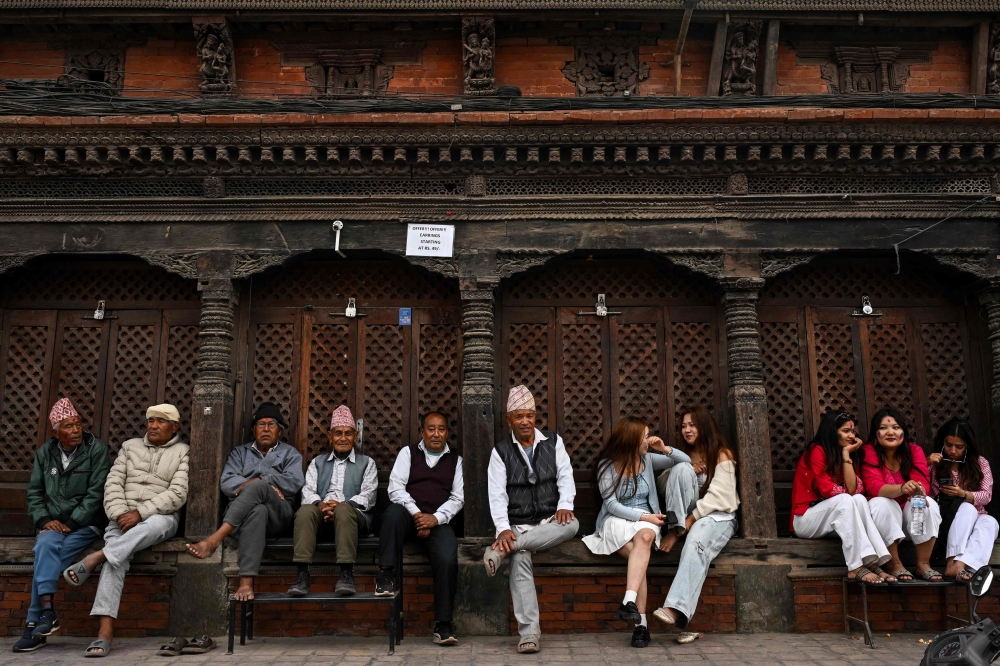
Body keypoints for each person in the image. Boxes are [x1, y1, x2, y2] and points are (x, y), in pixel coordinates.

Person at [63, 404, 189, 658]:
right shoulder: (130, 447)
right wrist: (120, 513)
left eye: (161, 421)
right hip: (120, 518)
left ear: (174, 427)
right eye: (150, 420)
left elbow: (177, 493)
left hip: (159, 518)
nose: (153, 425)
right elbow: (113, 483)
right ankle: (104, 633)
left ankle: (96, 557)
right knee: (115, 561)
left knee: (134, 538)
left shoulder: (183, 452)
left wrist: (140, 513)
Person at [483, 385, 578, 655]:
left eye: (529, 415)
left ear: (536, 417)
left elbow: (565, 477)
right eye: (519, 416)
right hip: (519, 522)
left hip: (550, 519)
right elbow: (497, 494)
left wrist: (565, 505)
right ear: (509, 420)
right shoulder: (500, 452)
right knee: (521, 558)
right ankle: (529, 634)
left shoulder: (553, 441)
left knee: (573, 524)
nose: (525, 421)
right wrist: (503, 530)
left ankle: (505, 549)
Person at [13, 399, 111, 653]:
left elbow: (96, 493)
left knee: (44, 558)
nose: (76, 430)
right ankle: (47, 613)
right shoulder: (45, 453)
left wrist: (71, 522)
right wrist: (45, 520)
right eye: (69, 426)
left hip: (86, 525)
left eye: (78, 424)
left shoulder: (96, 450)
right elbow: (34, 492)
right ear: (56, 432)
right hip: (54, 526)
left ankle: (34, 623)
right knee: (45, 544)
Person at [583, 416, 690, 648]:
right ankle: (640, 626)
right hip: (616, 519)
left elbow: (685, 461)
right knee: (639, 557)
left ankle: (629, 604)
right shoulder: (606, 465)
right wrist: (645, 517)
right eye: (644, 436)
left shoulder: (648, 459)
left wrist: (664, 448)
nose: (648, 439)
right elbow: (611, 505)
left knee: (646, 535)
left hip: (645, 522)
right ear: (631, 439)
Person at [185, 402, 304, 602]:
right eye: (261, 424)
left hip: (279, 515)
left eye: (272, 424)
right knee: (257, 511)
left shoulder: (290, 454)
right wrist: (264, 483)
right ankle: (246, 582)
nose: (266, 429)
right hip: (244, 518)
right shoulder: (240, 453)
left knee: (258, 487)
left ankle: (215, 539)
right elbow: (227, 482)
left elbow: (293, 483)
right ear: (253, 429)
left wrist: (261, 481)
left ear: (280, 431)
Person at [375, 411, 464, 646]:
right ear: (422, 432)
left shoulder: (456, 461)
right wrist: (417, 515)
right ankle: (385, 574)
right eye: (431, 429)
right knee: (393, 513)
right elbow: (395, 489)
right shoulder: (408, 453)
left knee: (447, 558)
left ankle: (443, 625)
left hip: (439, 521)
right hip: (409, 515)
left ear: (447, 432)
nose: (436, 434)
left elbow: (457, 498)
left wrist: (434, 519)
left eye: (441, 429)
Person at [652, 406, 739, 640]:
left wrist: (688, 522)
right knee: (679, 468)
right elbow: (663, 489)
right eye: (684, 426)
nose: (687, 430)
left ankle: (676, 609)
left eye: (692, 425)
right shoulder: (684, 457)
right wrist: (686, 470)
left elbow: (720, 497)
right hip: (686, 518)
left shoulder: (722, 454)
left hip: (717, 517)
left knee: (696, 541)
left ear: (704, 426)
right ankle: (677, 528)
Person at [791, 410, 894, 584]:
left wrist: (847, 455)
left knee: (859, 500)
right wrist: (846, 458)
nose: (851, 436)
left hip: (834, 520)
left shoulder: (848, 453)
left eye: (853, 432)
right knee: (846, 499)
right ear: (833, 431)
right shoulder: (817, 450)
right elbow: (827, 490)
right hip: (805, 520)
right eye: (846, 431)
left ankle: (871, 562)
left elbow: (855, 491)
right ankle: (855, 567)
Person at [287, 405, 377, 597]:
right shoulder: (317, 463)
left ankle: (346, 573)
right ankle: (302, 575)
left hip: (353, 518)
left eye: (348, 433)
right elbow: (308, 491)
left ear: (355, 435)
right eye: (338, 433)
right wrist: (321, 505)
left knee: (344, 511)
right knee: (304, 511)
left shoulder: (367, 463)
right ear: (330, 436)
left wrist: (343, 506)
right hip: (322, 514)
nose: (343, 438)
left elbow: (369, 495)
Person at [862, 407, 942, 581]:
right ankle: (894, 563)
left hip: (910, 522)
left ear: (903, 432)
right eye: (883, 428)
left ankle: (922, 564)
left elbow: (922, 482)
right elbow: (873, 486)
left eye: (896, 427)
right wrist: (901, 488)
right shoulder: (869, 451)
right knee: (881, 502)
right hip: (883, 521)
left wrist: (918, 491)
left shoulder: (914, 451)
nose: (890, 432)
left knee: (924, 501)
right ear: (875, 433)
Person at [927, 419, 997, 581]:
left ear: (968, 446)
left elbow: (986, 495)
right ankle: (951, 561)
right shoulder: (936, 463)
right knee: (967, 508)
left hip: (976, 517)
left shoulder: (980, 463)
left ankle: (959, 565)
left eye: (959, 447)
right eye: (948, 444)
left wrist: (963, 494)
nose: (952, 450)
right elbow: (922, 491)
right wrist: (926, 462)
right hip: (947, 518)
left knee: (990, 522)